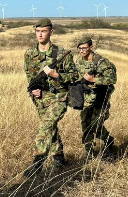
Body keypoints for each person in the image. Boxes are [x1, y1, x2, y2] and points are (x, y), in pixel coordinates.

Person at [24, 18, 78, 177]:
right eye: (37, 31)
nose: (40, 34)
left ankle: (38, 162)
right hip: (41, 98)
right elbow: (29, 75)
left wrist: (57, 75)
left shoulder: (61, 53)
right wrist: (34, 90)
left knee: (46, 125)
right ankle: (59, 158)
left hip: (59, 96)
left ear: (51, 32)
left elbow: (75, 76)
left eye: (43, 31)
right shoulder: (29, 53)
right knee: (51, 127)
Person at [75, 37, 117, 157]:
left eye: (84, 48)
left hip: (100, 97)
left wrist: (94, 80)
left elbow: (112, 79)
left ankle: (109, 140)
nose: (81, 51)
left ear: (91, 48)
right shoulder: (78, 62)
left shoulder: (101, 62)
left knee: (95, 124)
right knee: (85, 124)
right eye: (79, 48)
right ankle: (89, 152)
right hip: (85, 99)